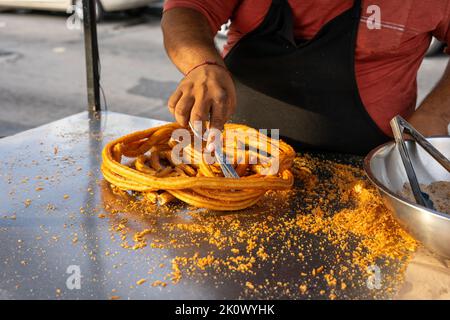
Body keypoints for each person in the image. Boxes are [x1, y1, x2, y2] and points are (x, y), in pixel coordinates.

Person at [161, 0, 450, 154]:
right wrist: (202, 65)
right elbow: (188, 8)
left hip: (363, 167)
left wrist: (435, 114)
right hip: (233, 155)